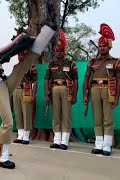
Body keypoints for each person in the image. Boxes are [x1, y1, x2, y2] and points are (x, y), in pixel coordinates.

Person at [0, 20, 55, 169]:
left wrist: (25, 42)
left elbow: (4, 56)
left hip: (3, 85)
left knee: (22, 66)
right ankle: (1, 158)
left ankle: (45, 35)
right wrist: (20, 40)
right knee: (8, 122)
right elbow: (3, 54)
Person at [83, 23, 120, 156]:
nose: (102, 48)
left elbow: (118, 80)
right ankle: (98, 145)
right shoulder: (93, 62)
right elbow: (86, 78)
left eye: (104, 46)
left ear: (109, 46)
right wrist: (85, 95)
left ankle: (107, 146)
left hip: (108, 91)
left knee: (108, 120)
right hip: (94, 90)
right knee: (97, 119)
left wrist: (116, 96)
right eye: (100, 46)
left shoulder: (116, 61)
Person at [45, 29, 78, 150]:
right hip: (54, 89)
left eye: (61, 51)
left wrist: (75, 95)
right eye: (57, 51)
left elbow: (75, 80)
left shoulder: (71, 64)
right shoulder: (51, 64)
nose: (59, 53)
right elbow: (46, 80)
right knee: (56, 115)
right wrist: (46, 95)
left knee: (66, 115)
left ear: (64, 51)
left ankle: (65, 141)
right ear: (55, 52)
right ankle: (56, 140)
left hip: (67, 90)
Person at [12, 49, 38, 144]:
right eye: (18, 55)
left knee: (26, 113)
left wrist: (34, 93)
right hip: (16, 89)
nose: (20, 57)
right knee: (18, 113)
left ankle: (26, 137)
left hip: (26, 90)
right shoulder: (15, 66)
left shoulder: (31, 66)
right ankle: (20, 135)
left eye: (22, 55)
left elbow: (35, 80)